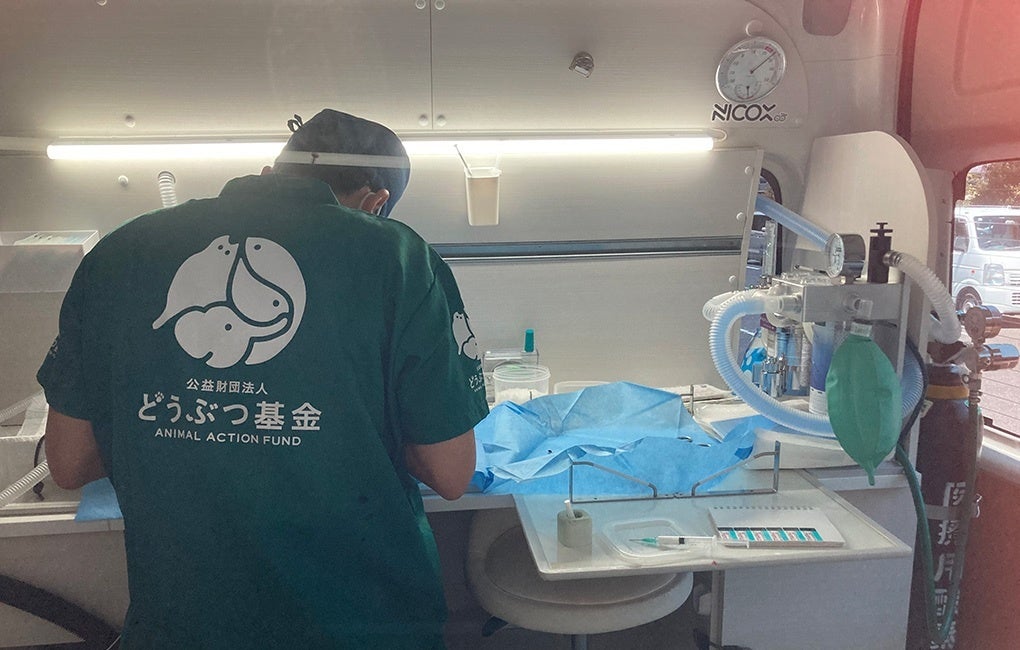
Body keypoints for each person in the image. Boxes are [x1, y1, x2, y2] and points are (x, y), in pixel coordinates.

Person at [37, 109, 489, 649]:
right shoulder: (398, 258)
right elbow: (450, 472)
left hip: (187, 624)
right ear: (376, 202)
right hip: (362, 622)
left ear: (270, 171)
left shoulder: (119, 251)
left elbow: (69, 463)